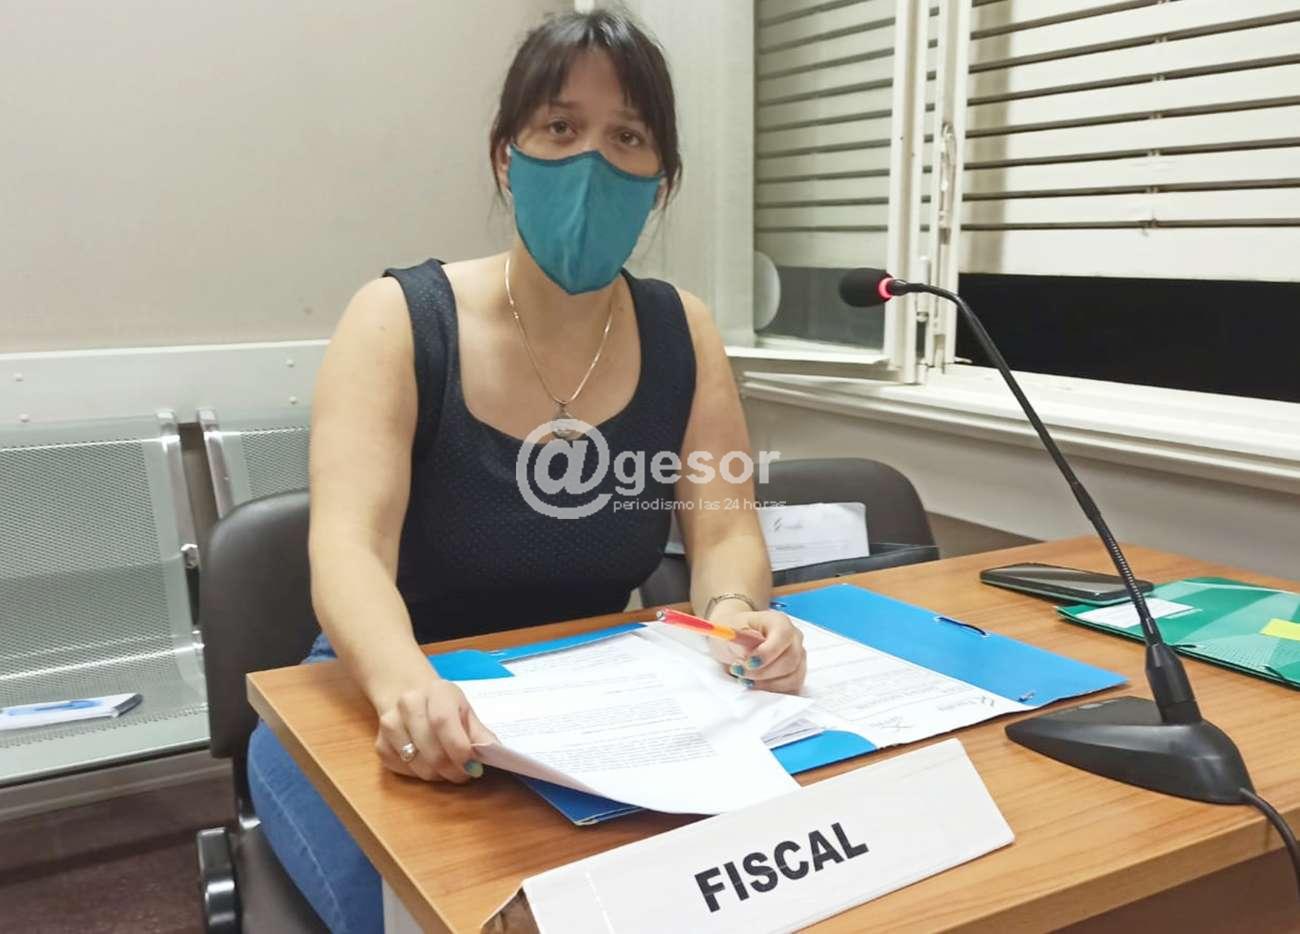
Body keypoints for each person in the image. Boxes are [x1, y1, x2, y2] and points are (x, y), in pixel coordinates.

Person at [246, 10, 807, 932]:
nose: (592, 161)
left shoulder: (685, 328)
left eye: (627, 137)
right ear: (506, 157)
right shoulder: (398, 317)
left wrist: (738, 616)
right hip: (385, 692)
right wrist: (406, 690)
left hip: (595, 699)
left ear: (661, 183)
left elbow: (723, 527)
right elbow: (347, 550)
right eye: (559, 126)